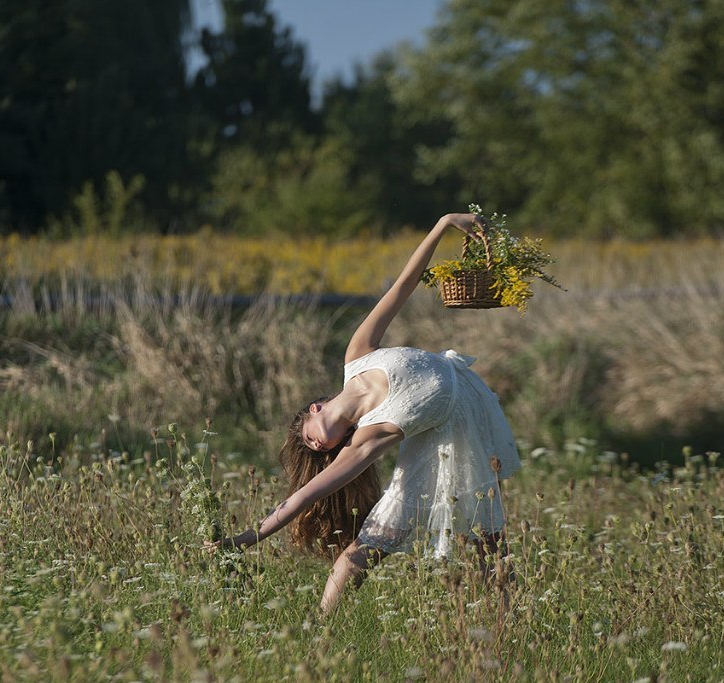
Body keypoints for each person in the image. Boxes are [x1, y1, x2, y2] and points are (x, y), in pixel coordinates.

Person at [203, 212, 521, 614]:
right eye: (321, 453)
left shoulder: (357, 356)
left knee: (487, 537)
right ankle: (322, 623)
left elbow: (403, 287)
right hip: (450, 425)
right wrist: (248, 538)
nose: (319, 447)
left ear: (313, 410)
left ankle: (508, 621)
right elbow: (302, 497)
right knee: (381, 538)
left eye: (307, 438)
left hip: (467, 398)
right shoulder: (365, 439)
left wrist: (441, 225)